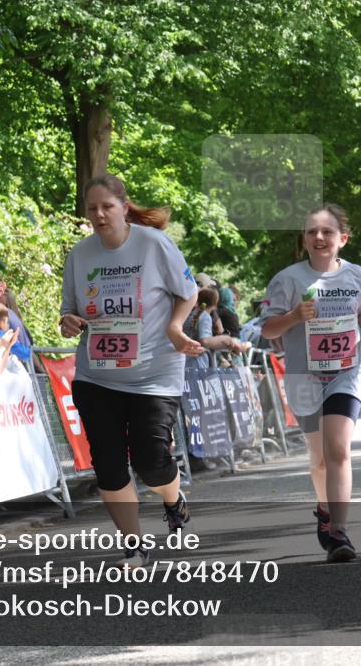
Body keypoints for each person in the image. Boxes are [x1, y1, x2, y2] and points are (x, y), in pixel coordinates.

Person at [59, 174, 203, 569]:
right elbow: (69, 311)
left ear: (124, 207)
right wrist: (69, 321)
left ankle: (172, 498)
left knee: (151, 460)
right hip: (97, 375)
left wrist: (175, 327)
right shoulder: (80, 254)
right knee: (108, 464)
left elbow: (189, 292)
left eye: (107, 206)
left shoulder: (153, 244)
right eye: (92, 208)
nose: (99, 214)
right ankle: (134, 547)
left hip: (155, 372)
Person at [259, 203, 361, 563]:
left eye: (327, 231)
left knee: (338, 449)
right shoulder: (287, 279)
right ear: (304, 239)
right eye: (312, 231)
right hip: (304, 375)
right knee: (320, 460)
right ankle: (325, 508)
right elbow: (268, 329)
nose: (319, 237)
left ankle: (339, 532)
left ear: (343, 239)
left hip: (346, 371)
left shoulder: (356, 274)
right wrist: (294, 316)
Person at [182, 286, 245, 368]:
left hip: (186, 361)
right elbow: (205, 340)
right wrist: (226, 340)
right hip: (198, 364)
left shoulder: (193, 314)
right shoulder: (205, 316)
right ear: (216, 303)